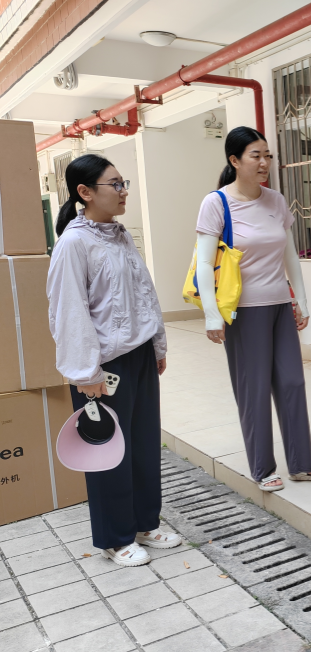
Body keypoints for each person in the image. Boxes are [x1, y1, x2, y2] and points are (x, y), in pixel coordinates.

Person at [47, 154, 179, 567]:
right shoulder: (74, 244)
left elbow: (144, 293)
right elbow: (68, 312)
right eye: (115, 184)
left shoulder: (121, 235)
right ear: (85, 192)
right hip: (102, 366)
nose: (123, 192)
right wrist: (85, 372)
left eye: (124, 184)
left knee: (143, 445)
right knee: (108, 454)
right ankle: (116, 537)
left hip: (137, 356)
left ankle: (144, 523)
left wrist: (156, 345)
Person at [196, 126, 311, 492]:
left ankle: (303, 464)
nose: (264, 163)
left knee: (292, 382)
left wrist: (300, 299)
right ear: (234, 160)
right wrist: (212, 314)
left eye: (268, 156)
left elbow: (289, 253)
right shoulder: (217, 203)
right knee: (253, 388)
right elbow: (204, 264)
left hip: (279, 305)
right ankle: (262, 468)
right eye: (256, 156)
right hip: (244, 310)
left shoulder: (275, 200)